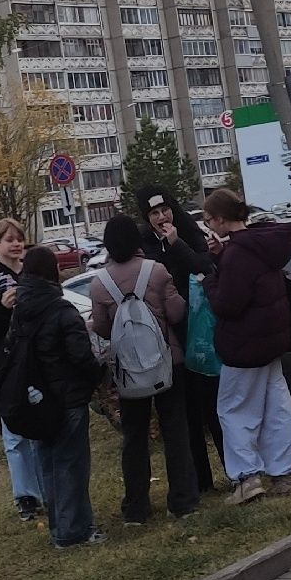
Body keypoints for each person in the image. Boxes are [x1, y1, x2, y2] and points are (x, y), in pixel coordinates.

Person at [86, 214, 198, 523]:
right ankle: (183, 500)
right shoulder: (157, 271)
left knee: (134, 436)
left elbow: (105, 330)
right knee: (175, 428)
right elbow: (176, 313)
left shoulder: (99, 283)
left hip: (128, 372)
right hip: (167, 363)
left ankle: (136, 507)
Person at [201, 188, 291, 504]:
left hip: (244, 344)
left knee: (233, 410)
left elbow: (229, 305)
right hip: (271, 339)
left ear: (220, 219)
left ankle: (247, 477)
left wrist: (209, 281)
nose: (208, 226)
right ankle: (286, 472)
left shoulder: (238, 254)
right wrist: (222, 258)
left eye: (208, 220)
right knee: (277, 407)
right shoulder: (262, 244)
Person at [1, 248, 104, 548]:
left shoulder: (20, 311)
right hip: (68, 397)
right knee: (72, 465)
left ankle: (59, 526)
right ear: (52, 272)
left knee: (48, 464)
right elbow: (81, 355)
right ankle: (74, 531)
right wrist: (96, 376)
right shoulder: (62, 310)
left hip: (36, 400)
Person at [136, 184, 225, 490]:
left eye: (164, 210)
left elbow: (206, 266)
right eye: (154, 213)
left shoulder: (186, 229)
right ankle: (202, 481)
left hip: (200, 331)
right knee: (187, 414)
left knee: (213, 406)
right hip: (170, 337)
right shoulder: (145, 243)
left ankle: (234, 470)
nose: (161, 218)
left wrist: (177, 245)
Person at [0, 218, 45, 519]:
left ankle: (48, 487)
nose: (15, 244)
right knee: (14, 436)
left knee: (42, 428)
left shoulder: (34, 273)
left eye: (19, 238)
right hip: (4, 368)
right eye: (8, 239)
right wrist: (0, 309)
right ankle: (25, 496)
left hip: (38, 362)